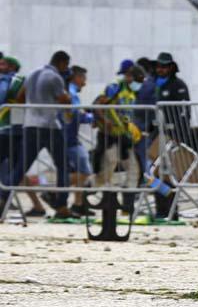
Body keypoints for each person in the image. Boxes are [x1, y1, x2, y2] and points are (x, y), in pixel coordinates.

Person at [0, 51, 73, 217]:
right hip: (50, 126)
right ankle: (61, 205)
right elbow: (64, 99)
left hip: (30, 125)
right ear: (62, 63)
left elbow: (20, 97)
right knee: (63, 166)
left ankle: (2, 197)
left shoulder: (32, 73)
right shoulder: (55, 78)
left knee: (21, 167)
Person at [93, 64, 145, 215]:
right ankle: (85, 195)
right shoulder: (115, 87)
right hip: (109, 136)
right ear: (129, 77)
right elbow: (97, 105)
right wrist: (104, 121)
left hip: (123, 137)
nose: (139, 84)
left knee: (134, 170)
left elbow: (125, 114)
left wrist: (130, 127)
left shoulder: (131, 94)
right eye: (137, 80)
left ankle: (127, 209)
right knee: (105, 173)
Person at [153, 52, 190, 220]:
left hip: (172, 136)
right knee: (153, 173)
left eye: (164, 66)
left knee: (170, 174)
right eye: (159, 66)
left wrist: (180, 136)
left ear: (171, 67)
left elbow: (184, 112)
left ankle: (171, 211)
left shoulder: (178, 85)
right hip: (156, 135)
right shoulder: (154, 84)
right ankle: (161, 209)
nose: (161, 69)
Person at [64, 66, 94, 216]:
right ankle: (54, 190)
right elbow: (77, 115)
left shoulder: (70, 91)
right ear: (76, 77)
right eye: (83, 78)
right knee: (84, 171)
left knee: (78, 171)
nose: (85, 83)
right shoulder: (71, 92)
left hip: (68, 137)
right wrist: (94, 118)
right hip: (69, 138)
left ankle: (78, 204)